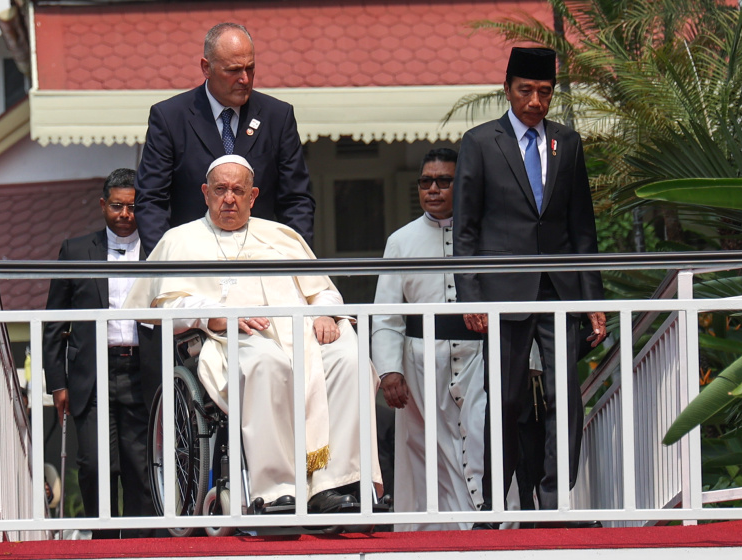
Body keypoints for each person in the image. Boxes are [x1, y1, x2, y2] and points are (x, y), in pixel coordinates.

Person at [125, 155, 382, 513]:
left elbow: (322, 288)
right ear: (205, 193)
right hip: (229, 342)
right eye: (220, 190)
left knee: (348, 356)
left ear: (253, 195)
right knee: (266, 361)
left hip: (301, 336)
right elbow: (162, 306)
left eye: (238, 190)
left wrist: (325, 311)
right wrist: (211, 317)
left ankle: (332, 482)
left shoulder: (281, 236)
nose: (228, 198)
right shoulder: (179, 241)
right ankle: (277, 489)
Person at [453, 47, 606, 523]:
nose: (535, 102)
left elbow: (583, 228)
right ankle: (496, 504)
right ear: (508, 89)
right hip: (501, 290)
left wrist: (592, 299)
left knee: (565, 397)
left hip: (560, 289)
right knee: (505, 399)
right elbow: (466, 229)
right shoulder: (480, 142)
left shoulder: (568, 142)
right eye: (526, 91)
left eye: (544, 92)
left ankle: (557, 500)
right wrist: (470, 295)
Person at [372, 148, 485, 531]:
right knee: (424, 455)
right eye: (425, 182)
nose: (433, 189)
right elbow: (387, 315)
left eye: (443, 181)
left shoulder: (485, 234)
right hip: (421, 365)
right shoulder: (400, 241)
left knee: (482, 443)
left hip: (478, 360)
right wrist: (389, 371)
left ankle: (490, 533)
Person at [43, 168, 159, 538]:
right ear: (102, 205)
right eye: (117, 206)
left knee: (140, 467)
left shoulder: (160, 249)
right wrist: (57, 384)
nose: (125, 215)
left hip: (143, 372)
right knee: (94, 465)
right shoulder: (75, 250)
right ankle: (103, 543)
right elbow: (53, 324)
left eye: (133, 207)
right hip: (92, 374)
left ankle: (141, 546)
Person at [135, 22, 315, 254]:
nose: (245, 79)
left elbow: (296, 200)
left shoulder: (277, 117)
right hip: (191, 264)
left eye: (250, 68)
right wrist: (167, 266)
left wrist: (294, 263)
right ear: (206, 68)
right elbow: (151, 201)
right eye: (233, 70)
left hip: (262, 262)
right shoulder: (170, 118)